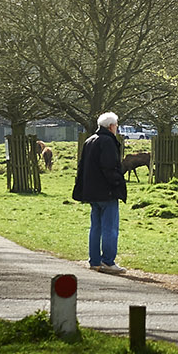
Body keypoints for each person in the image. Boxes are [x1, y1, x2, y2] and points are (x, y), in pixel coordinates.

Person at [71, 111, 127, 271]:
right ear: (111, 126)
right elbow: (109, 167)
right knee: (110, 227)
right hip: (106, 191)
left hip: (91, 191)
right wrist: (118, 182)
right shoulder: (108, 142)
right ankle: (108, 261)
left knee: (96, 227)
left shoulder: (89, 141)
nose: (116, 128)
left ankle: (94, 260)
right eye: (116, 125)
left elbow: (82, 167)